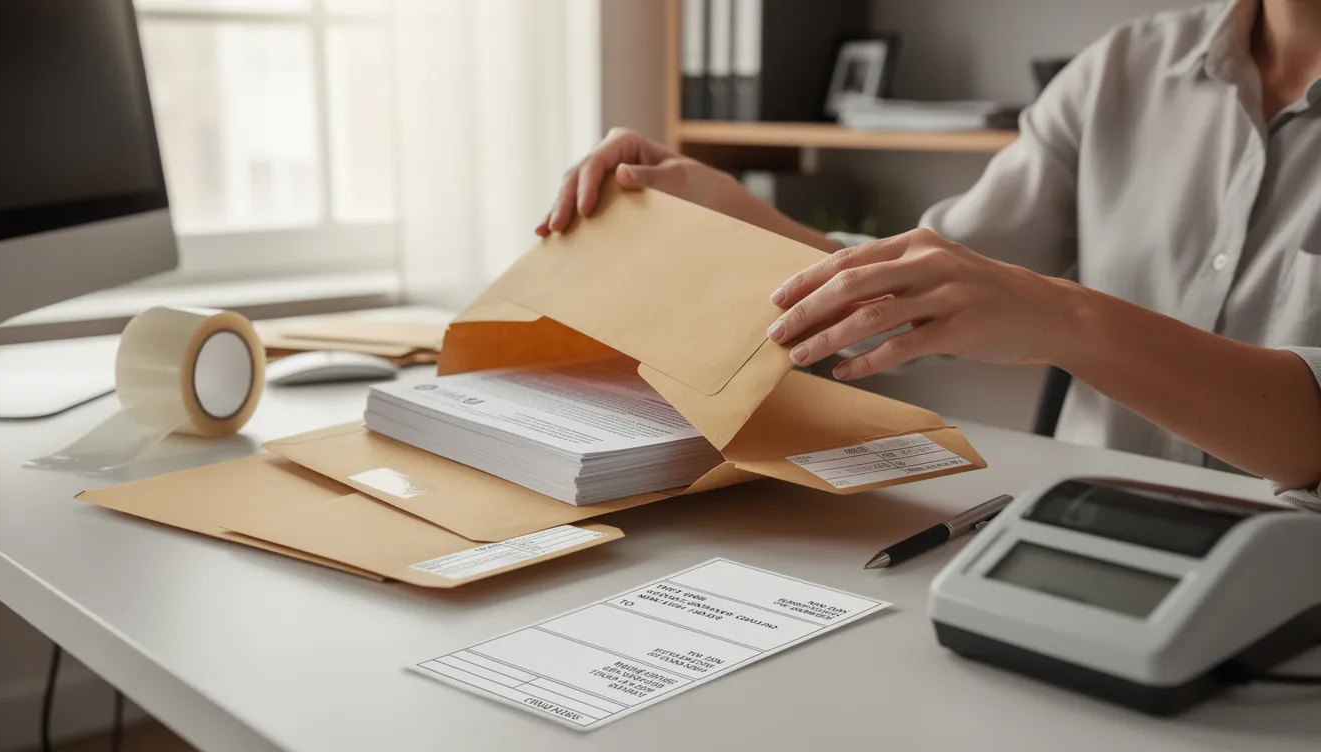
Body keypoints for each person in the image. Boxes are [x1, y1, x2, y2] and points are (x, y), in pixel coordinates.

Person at [536, 0, 1321, 505]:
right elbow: (929, 294)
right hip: (1083, 528)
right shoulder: (1124, 69)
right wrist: (724, 211)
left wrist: (1059, 315)